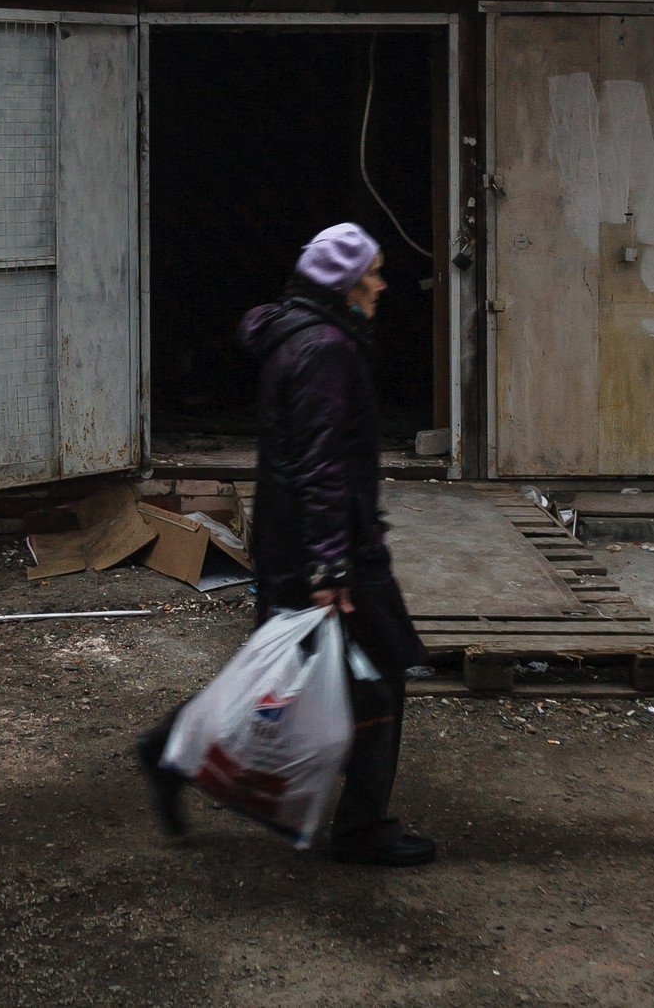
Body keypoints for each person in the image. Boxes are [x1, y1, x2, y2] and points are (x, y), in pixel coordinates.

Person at [137, 222, 436, 867]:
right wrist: (331, 564)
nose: (382, 284)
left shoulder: (298, 335)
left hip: (295, 537)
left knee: (295, 671)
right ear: (344, 282)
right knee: (376, 676)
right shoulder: (326, 348)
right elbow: (322, 463)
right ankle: (361, 830)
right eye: (373, 273)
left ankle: (172, 751)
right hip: (324, 545)